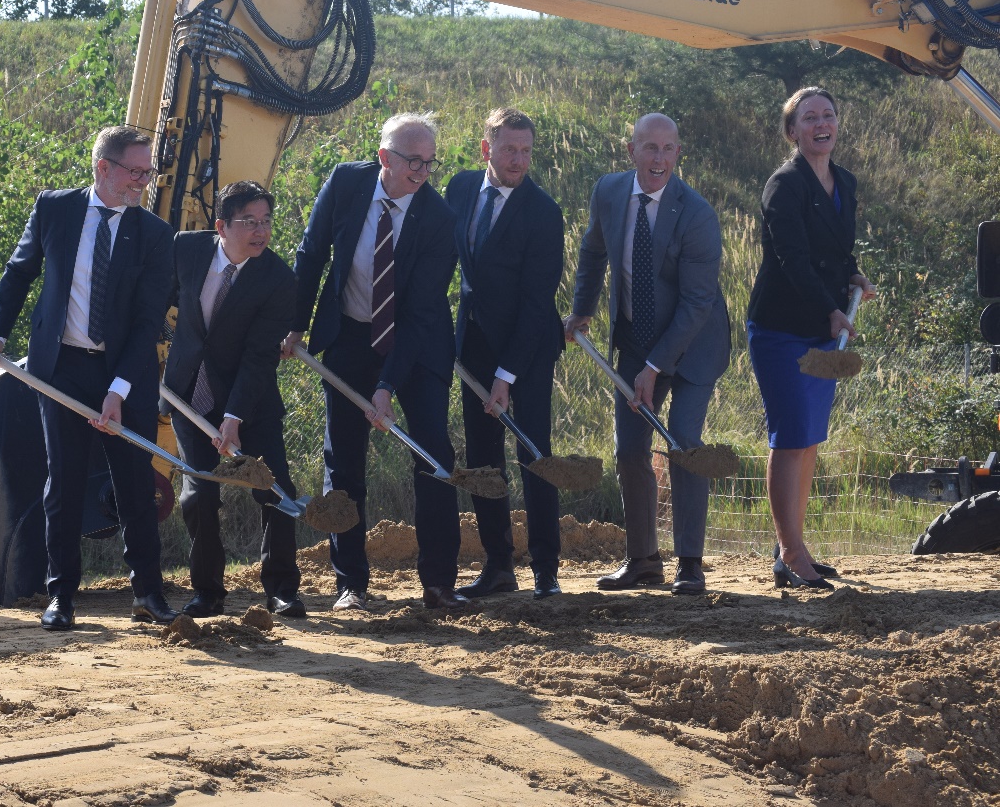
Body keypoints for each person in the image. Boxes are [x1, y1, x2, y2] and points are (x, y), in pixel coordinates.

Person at [0, 125, 179, 631]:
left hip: (125, 373)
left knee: (136, 485)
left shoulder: (154, 234)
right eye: (135, 171)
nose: (143, 182)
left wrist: (117, 393)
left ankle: (148, 594)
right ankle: (61, 596)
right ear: (103, 168)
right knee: (63, 483)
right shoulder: (55, 209)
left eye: (148, 172)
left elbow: (148, 321)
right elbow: (19, 272)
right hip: (60, 369)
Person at [283, 112, 463, 611]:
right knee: (343, 459)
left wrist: (386, 386)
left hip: (418, 344)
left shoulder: (441, 219)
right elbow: (312, 252)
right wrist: (296, 324)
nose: (422, 172)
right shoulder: (346, 181)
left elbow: (421, 310)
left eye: (429, 163)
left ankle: (438, 583)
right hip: (349, 334)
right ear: (384, 158)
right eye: (412, 161)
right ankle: (350, 583)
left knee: (433, 454)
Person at [564, 113, 730, 595]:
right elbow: (593, 251)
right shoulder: (609, 192)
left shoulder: (697, 214)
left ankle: (691, 565)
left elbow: (698, 302)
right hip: (635, 339)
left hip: (695, 345)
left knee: (682, 443)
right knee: (630, 450)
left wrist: (656, 368)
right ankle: (642, 561)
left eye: (669, 149)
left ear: (679, 153)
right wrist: (581, 311)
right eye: (650, 148)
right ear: (630, 149)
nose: (659, 159)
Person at [747, 87, 877, 590]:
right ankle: (792, 554)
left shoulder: (844, 181)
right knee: (790, 436)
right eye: (809, 118)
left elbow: (838, 252)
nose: (821, 124)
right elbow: (791, 260)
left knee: (810, 442)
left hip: (825, 329)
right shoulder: (783, 185)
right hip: (781, 329)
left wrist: (855, 279)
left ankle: (791, 553)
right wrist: (830, 310)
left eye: (828, 115)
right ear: (793, 131)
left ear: (836, 124)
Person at [162, 180, 306, 619]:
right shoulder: (185, 249)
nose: (260, 231)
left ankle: (281, 588)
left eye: (266, 222)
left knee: (274, 489)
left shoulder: (278, 279)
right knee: (198, 495)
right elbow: (153, 302)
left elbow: (260, 356)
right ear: (222, 226)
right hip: (189, 395)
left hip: (250, 402)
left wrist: (234, 416)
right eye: (249, 222)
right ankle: (208, 593)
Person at [445, 107, 566, 600]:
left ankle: (546, 570)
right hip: (473, 342)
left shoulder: (543, 212)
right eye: (510, 149)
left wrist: (507, 375)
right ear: (486, 148)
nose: (519, 159)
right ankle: (498, 566)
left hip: (528, 349)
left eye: (526, 150)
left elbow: (538, 304)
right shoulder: (459, 188)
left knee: (534, 455)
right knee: (483, 458)